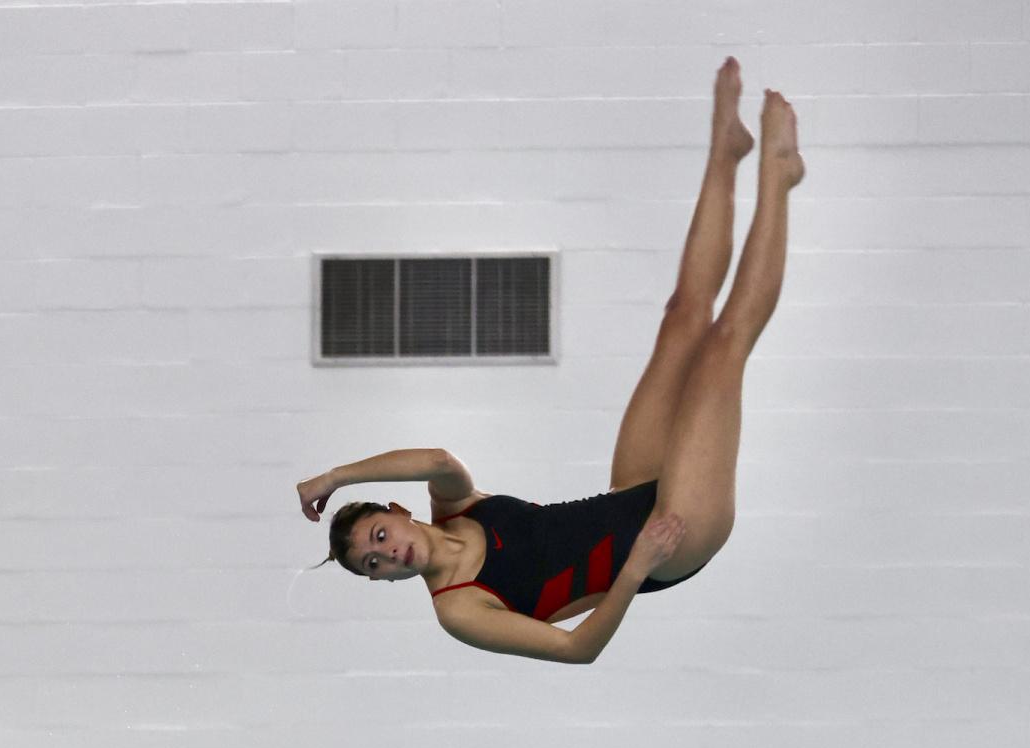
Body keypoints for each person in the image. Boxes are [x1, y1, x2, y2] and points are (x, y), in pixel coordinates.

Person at [295, 64, 804, 666]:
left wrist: (335, 477)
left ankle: (727, 153)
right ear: (380, 582)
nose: (386, 555)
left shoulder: (456, 504)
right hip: (673, 534)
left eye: (380, 537)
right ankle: (779, 178)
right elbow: (576, 648)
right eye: (372, 565)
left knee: (682, 318)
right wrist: (638, 567)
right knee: (724, 345)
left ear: (398, 511)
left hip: (627, 496)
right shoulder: (459, 610)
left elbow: (436, 460)